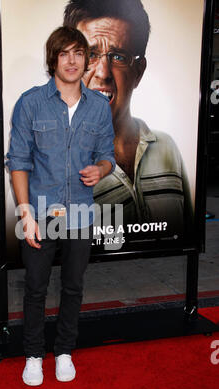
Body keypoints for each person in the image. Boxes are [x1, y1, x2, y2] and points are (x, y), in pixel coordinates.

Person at [6, 26, 115, 386]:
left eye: (78, 53)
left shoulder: (99, 107)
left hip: (81, 211)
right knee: (36, 287)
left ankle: (64, 351)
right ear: (53, 59)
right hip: (38, 212)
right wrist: (25, 212)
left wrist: (100, 169)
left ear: (86, 59)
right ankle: (34, 355)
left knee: (73, 286)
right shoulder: (31, 102)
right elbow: (18, 162)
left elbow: (107, 157)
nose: (72, 60)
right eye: (64, 53)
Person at [64, 0, 193, 242]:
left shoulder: (166, 147)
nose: (103, 72)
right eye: (90, 55)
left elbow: (185, 231)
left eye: (118, 56)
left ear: (139, 71)